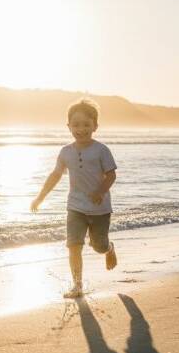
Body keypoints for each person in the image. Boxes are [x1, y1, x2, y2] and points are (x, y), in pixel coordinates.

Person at [31, 98, 118, 298]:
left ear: (95, 126)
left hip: (100, 209)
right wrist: (40, 198)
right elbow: (55, 175)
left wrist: (100, 191)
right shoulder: (65, 152)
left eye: (86, 124)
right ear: (68, 126)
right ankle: (77, 285)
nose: (81, 129)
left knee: (98, 246)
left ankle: (109, 248)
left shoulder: (101, 150)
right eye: (76, 125)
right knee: (74, 245)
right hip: (75, 207)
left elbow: (111, 175)